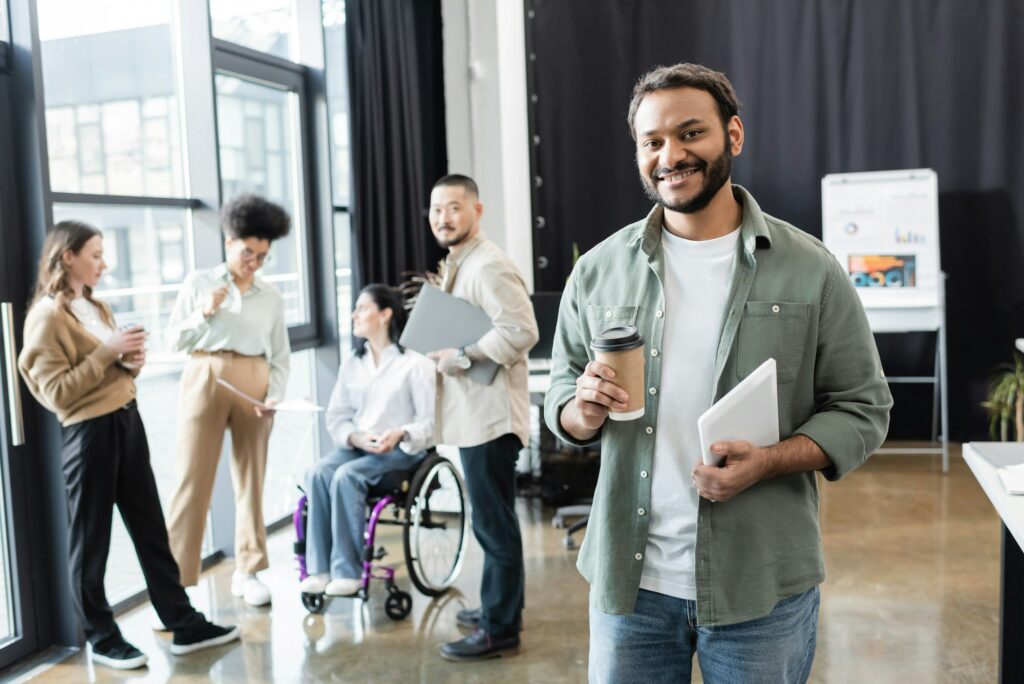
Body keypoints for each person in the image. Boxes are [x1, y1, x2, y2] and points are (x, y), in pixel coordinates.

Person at [545, 63, 893, 682]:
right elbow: (561, 399)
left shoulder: (810, 269)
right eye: (652, 142)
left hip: (760, 587)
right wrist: (582, 409)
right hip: (632, 589)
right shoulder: (599, 271)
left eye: (690, 134)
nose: (670, 155)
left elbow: (863, 407)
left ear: (733, 135)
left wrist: (772, 459)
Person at [18, 221, 240, 670]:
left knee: (151, 530)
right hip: (88, 434)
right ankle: (101, 637)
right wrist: (108, 353)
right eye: (96, 254)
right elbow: (58, 394)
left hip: (125, 423)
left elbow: (107, 371)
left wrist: (129, 362)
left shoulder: (94, 306)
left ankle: (182, 623)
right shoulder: (46, 316)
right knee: (91, 541)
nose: (104, 263)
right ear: (68, 257)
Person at [425, 174, 539, 661]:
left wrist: (464, 354)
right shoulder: (461, 263)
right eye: (435, 210)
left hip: (491, 420)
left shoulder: (488, 265)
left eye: (453, 208)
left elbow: (522, 329)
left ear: (477, 210)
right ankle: (501, 609)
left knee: (494, 526)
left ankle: (499, 629)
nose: (442, 218)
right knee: (492, 522)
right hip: (475, 416)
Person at [165, 194, 291, 607]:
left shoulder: (270, 297)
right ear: (229, 241)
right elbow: (174, 341)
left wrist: (274, 396)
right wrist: (205, 311)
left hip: (254, 382)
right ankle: (176, 582)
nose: (253, 262)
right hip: (205, 376)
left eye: (262, 256)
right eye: (248, 252)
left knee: (251, 481)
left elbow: (281, 355)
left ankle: (249, 570)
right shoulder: (199, 282)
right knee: (191, 480)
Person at [299, 284, 435, 597]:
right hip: (360, 447)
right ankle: (320, 569)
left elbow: (429, 424)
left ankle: (347, 571)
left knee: (347, 476)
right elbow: (337, 416)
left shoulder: (415, 364)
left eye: (362, 308)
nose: (354, 315)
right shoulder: (352, 364)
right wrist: (356, 437)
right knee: (318, 472)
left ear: (385, 314)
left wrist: (399, 433)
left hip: (401, 452)